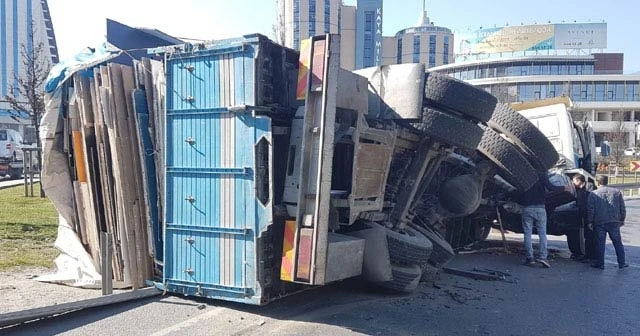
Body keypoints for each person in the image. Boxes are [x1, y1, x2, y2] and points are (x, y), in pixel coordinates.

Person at [521, 173, 569, 268]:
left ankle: (530, 258)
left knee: (527, 234)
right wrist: (564, 188)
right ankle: (543, 257)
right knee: (542, 234)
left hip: (527, 208)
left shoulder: (524, 176)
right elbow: (551, 187)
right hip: (540, 209)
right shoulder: (542, 175)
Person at [587, 175, 628, 269]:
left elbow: (591, 209)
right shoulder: (616, 192)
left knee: (600, 244)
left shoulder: (593, 194)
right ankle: (622, 263)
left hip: (599, 222)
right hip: (614, 221)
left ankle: (600, 263)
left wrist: (590, 221)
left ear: (597, 182)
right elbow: (622, 207)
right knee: (618, 243)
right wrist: (622, 219)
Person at [571, 173, 596, 262]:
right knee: (585, 235)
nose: (572, 183)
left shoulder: (590, 188)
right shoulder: (577, 189)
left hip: (590, 216)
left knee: (590, 236)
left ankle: (591, 256)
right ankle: (587, 255)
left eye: (574, 181)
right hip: (582, 215)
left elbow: (590, 204)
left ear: (578, 181)